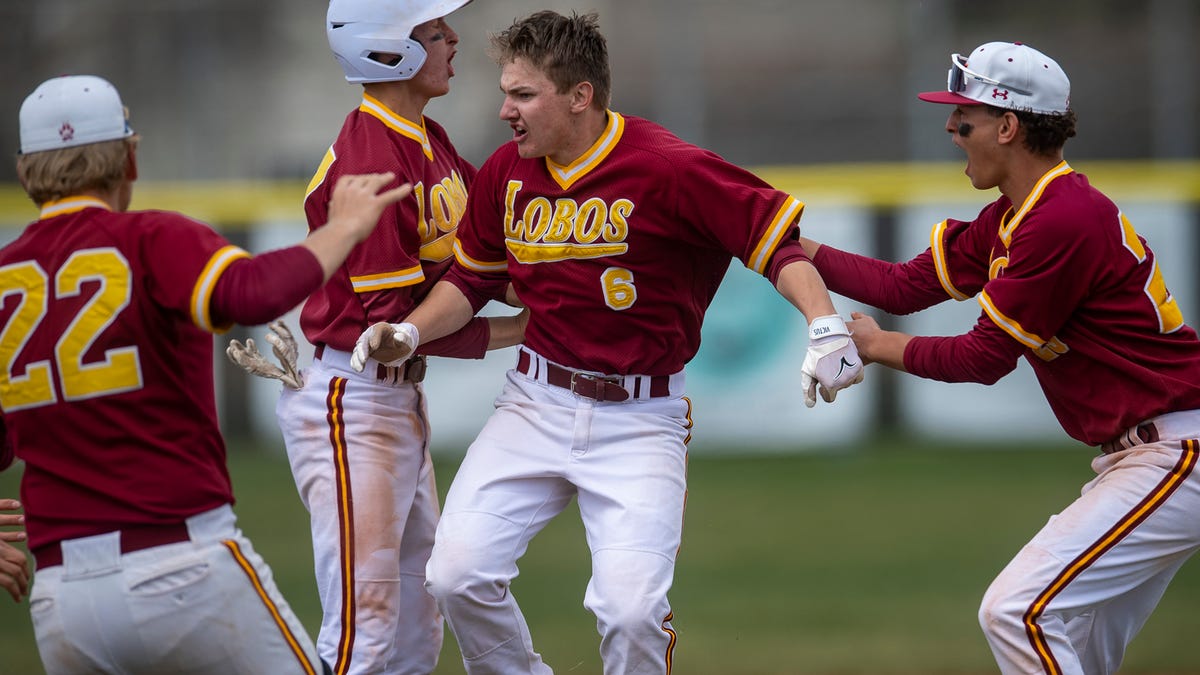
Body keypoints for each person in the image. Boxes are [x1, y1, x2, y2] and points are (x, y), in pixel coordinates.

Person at [351, 11, 864, 673]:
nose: (505, 109)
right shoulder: (506, 172)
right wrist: (411, 329)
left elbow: (774, 243)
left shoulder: (667, 166)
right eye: (506, 91)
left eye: (524, 94)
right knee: (455, 574)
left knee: (631, 613)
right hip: (535, 401)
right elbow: (469, 281)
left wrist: (823, 322)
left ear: (580, 96)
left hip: (640, 418)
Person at [801, 41, 1200, 675]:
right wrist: (778, 240)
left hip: (1177, 455)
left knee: (1016, 610)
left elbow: (984, 357)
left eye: (964, 117)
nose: (951, 129)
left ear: (1008, 125)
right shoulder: (1021, 213)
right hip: (1147, 456)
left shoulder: (1061, 218)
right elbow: (902, 286)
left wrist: (878, 345)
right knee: (1075, 645)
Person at [0, 74, 410, 674]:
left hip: (63, 598)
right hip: (182, 565)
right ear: (129, 158)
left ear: (24, 169)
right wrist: (344, 228)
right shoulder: (151, 237)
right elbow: (251, 294)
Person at [229, 1, 525, 673]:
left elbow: (489, 256)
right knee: (364, 628)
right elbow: (389, 331)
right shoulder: (375, 160)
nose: (452, 37)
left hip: (391, 403)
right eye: (431, 30)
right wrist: (520, 330)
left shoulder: (427, 137)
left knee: (419, 621)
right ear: (386, 49)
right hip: (352, 397)